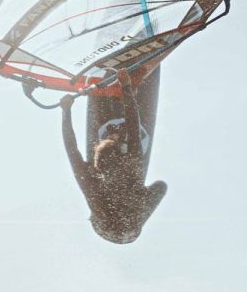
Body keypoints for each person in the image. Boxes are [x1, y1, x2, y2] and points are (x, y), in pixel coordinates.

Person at [60, 69, 167, 244]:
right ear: (121, 153)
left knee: (159, 187)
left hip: (110, 226)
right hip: (127, 226)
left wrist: (66, 112)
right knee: (159, 187)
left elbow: (71, 148)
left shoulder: (93, 181)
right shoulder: (130, 163)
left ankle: (135, 199)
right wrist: (126, 87)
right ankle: (135, 201)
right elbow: (133, 124)